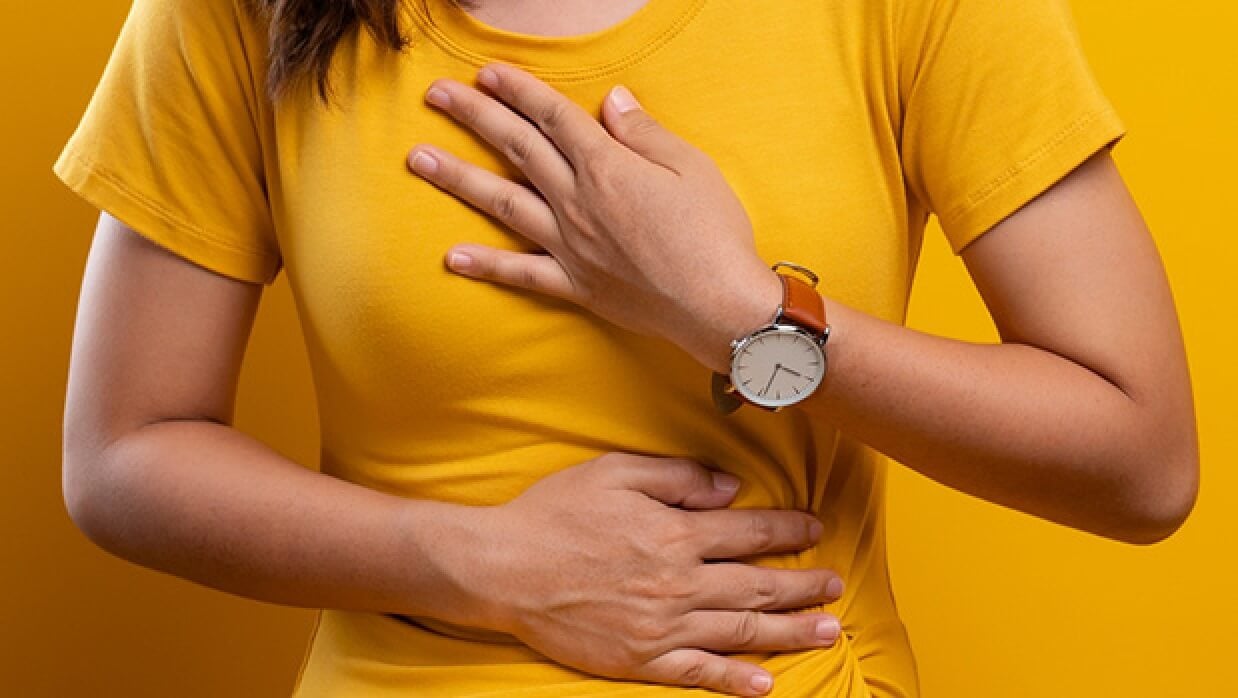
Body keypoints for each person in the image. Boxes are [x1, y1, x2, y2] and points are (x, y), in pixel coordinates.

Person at [55, 0, 1198, 696]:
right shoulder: (239, 10)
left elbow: (1140, 461)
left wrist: (734, 310)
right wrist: (481, 563)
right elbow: (125, 452)